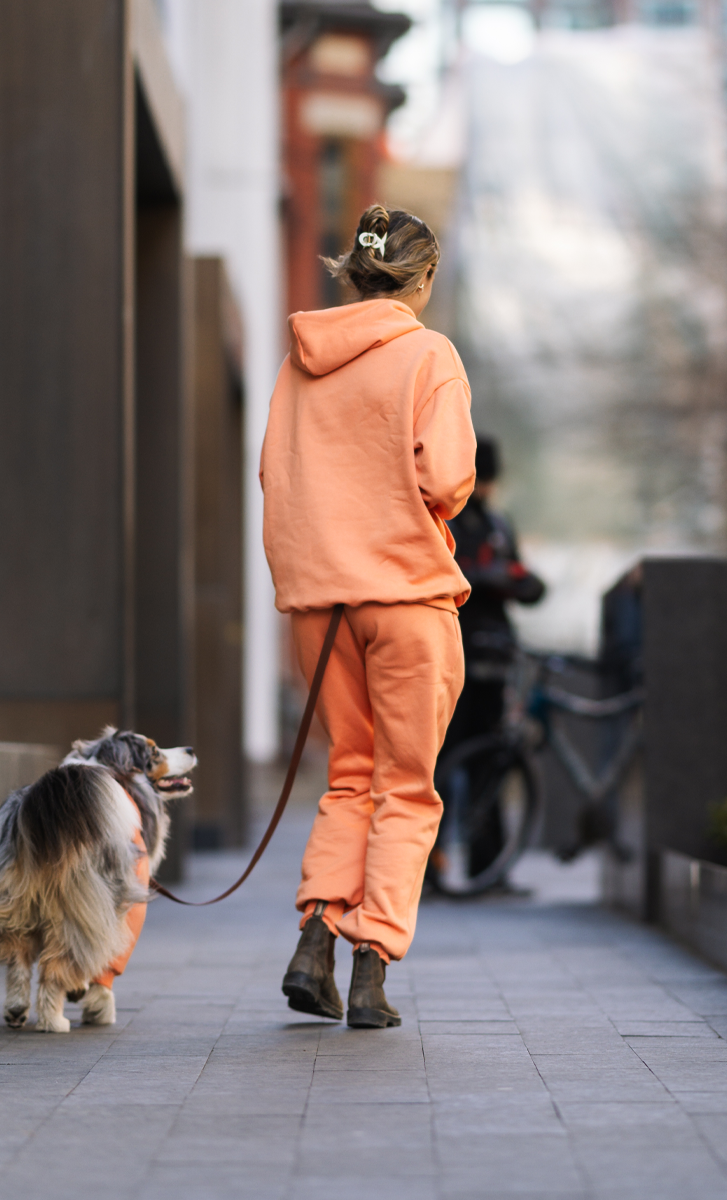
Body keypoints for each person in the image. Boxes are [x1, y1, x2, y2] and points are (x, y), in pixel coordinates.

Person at [259, 204, 476, 1028]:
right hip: (408, 596)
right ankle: (371, 967)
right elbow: (448, 479)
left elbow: (273, 474)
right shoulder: (429, 355)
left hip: (322, 604)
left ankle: (315, 934)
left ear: (351, 272)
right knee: (407, 789)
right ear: (421, 280)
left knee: (349, 774)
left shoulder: (300, 361)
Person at [441, 437, 545, 877]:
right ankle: (430, 868)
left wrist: (515, 581)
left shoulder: (499, 524)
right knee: (441, 764)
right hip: (451, 657)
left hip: (493, 658)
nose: (483, 489)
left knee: (491, 762)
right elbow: (449, 576)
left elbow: (527, 583)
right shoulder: (446, 522)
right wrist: (488, 578)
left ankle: (487, 868)